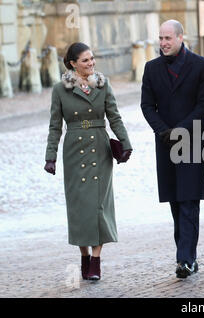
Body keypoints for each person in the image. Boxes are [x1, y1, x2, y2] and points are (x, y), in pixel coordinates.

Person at [44, 42, 133, 281]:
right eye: (85, 60)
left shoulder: (103, 86)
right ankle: (84, 255)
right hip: (74, 150)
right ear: (72, 63)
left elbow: (115, 117)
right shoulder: (60, 89)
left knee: (98, 205)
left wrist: (126, 143)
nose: (91, 63)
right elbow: (55, 126)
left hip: (99, 149)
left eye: (92, 59)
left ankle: (96, 260)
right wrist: (50, 157)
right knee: (79, 207)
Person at [140, 20, 204, 279]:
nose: (163, 43)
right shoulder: (151, 68)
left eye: (168, 38)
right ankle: (187, 254)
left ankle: (185, 259)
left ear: (181, 37)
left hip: (192, 141)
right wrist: (164, 131)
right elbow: (147, 105)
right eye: (160, 38)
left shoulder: (202, 66)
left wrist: (180, 130)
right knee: (174, 201)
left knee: (189, 201)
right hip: (166, 142)